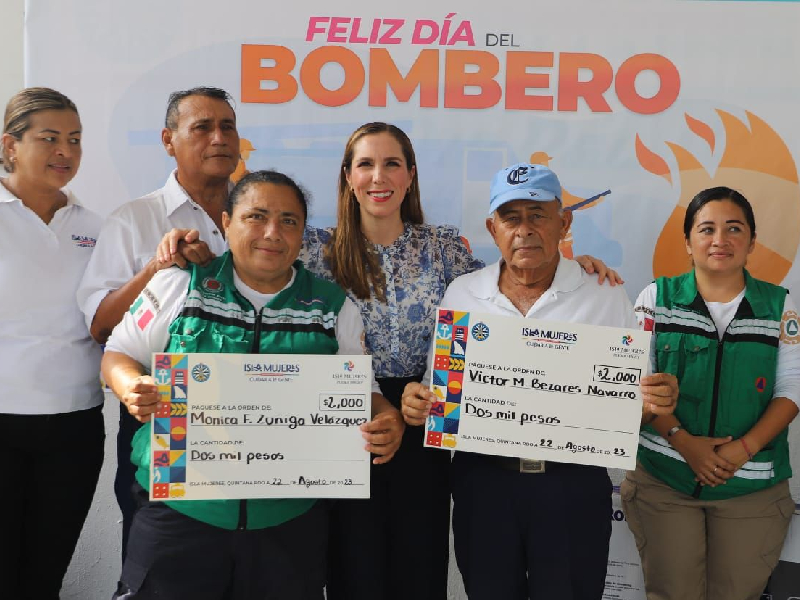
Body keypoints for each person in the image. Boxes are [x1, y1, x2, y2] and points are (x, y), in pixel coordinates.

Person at [159, 124, 621, 600]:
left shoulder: (444, 248)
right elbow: (246, 265)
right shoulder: (314, 246)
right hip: (335, 418)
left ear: (410, 175)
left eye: (392, 163)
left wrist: (572, 267)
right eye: (365, 164)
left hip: (429, 415)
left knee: (418, 568)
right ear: (348, 176)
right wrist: (185, 248)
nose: (378, 176)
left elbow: (509, 294)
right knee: (351, 566)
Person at [102, 170, 404, 599]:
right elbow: (118, 353)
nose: (271, 233)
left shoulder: (332, 306)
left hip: (287, 525)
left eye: (288, 221)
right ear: (226, 222)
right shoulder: (179, 284)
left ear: (303, 233)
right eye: (256, 217)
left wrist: (386, 415)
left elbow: (361, 389)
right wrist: (130, 384)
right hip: (180, 511)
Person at [401, 162, 679, 600]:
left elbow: (636, 405)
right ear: (493, 229)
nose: (524, 229)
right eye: (511, 217)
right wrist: (419, 402)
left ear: (564, 222)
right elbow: (439, 391)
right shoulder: (463, 293)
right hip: (484, 484)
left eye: (538, 214)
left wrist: (652, 402)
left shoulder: (605, 294)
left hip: (572, 487)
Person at [77, 86, 237, 557]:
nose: (218, 138)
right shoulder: (134, 219)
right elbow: (100, 327)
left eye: (227, 126)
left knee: (249, 563)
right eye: (202, 127)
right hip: (162, 415)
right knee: (160, 565)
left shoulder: (260, 216)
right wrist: (155, 269)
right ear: (169, 140)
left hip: (253, 416)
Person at [621, 186, 800, 600]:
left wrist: (743, 449)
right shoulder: (656, 298)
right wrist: (686, 445)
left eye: (734, 229)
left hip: (751, 488)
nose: (720, 240)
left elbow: (790, 389)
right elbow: (640, 385)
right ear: (688, 242)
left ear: (752, 241)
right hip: (665, 482)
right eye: (707, 229)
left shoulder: (781, 307)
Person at [0, 87, 105, 599]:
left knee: (43, 580)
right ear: (10, 145)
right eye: (50, 138)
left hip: (74, 427)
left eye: (75, 140)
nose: (66, 151)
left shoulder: (97, 228)